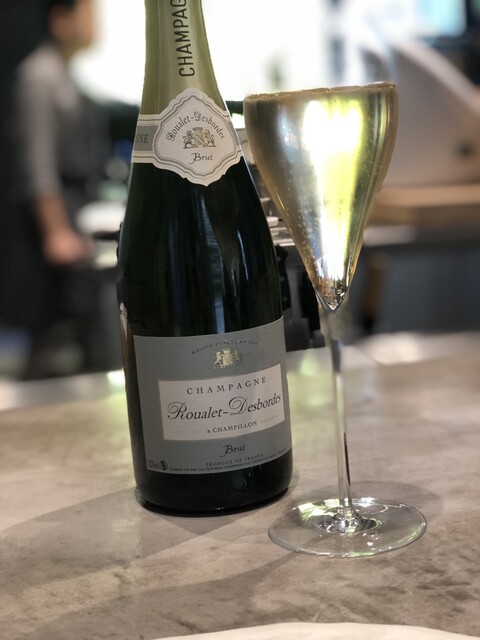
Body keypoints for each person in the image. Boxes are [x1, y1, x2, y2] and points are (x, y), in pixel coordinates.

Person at [5, 0, 109, 378]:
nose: (96, 23)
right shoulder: (40, 75)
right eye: (88, 13)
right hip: (51, 221)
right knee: (51, 330)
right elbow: (39, 163)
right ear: (61, 19)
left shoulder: (64, 73)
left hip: (75, 208)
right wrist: (56, 231)